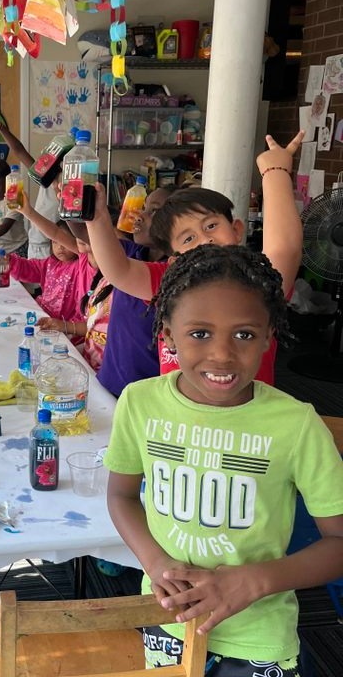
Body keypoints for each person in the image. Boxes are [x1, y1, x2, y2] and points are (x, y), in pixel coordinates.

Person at [103, 244, 343, 675]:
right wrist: (155, 562)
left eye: (245, 334)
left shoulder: (297, 424)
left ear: (270, 336)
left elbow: (339, 544)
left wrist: (254, 581)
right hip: (168, 619)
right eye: (199, 333)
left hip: (259, 636)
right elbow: (121, 496)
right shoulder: (139, 403)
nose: (221, 354)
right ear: (167, 332)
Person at [86, 131, 304, 386]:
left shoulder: (257, 281)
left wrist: (275, 171)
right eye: (188, 239)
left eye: (211, 226)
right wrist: (97, 217)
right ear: (174, 256)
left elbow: (284, 247)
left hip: (246, 420)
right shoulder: (168, 282)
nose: (204, 239)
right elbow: (118, 271)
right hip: (181, 422)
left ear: (236, 229)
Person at [18, 186, 171, 391]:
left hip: (140, 389)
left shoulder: (168, 276)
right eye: (144, 207)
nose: (140, 215)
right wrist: (71, 206)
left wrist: (97, 217)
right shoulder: (132, 252)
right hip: (108, 380)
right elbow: (83, 233)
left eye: (154, 211)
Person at [0, 118, 61, 258]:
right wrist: (2, 128)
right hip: (35, 245)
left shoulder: (64, 184)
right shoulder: (45, 176)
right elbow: (19, 151)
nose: (43, 160)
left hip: (51, 249)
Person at [0, 220, 79, 321]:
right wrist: (10, 262)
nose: (60, 247)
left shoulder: (81, 266)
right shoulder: (50, 263)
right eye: (55, 242)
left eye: (65, 242)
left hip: (66, 324)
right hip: (43, 314)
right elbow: (29, 268)